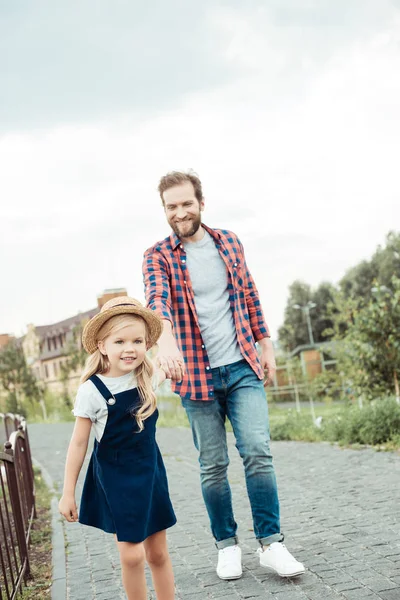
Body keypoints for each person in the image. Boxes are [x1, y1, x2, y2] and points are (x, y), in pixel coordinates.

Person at [142, 171, 305, 581]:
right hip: (196, 376)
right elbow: (156, 298)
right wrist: (164, 341)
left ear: (201, 202)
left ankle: (271, 543)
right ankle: (226, 546)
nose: (179, 212)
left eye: (186, 203)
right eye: (171, 207)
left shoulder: (229, 242)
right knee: (213, 464)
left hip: (242, 366)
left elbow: (249, 292)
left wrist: (265, 343)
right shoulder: (157, 255)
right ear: (164, 210)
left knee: (257, 451)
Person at [58, 296, 177, 600]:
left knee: (158, 554)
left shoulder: (146, 377)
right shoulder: (91, 391)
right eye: (120, 341)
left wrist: (173, 366)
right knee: (132, 556)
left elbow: (167, 370)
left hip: (149, 473)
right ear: (102, 345)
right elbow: (79, 444)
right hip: (115, 479)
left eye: (137, 340)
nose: (129, 348)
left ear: (146, 344)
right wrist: (67, 492)